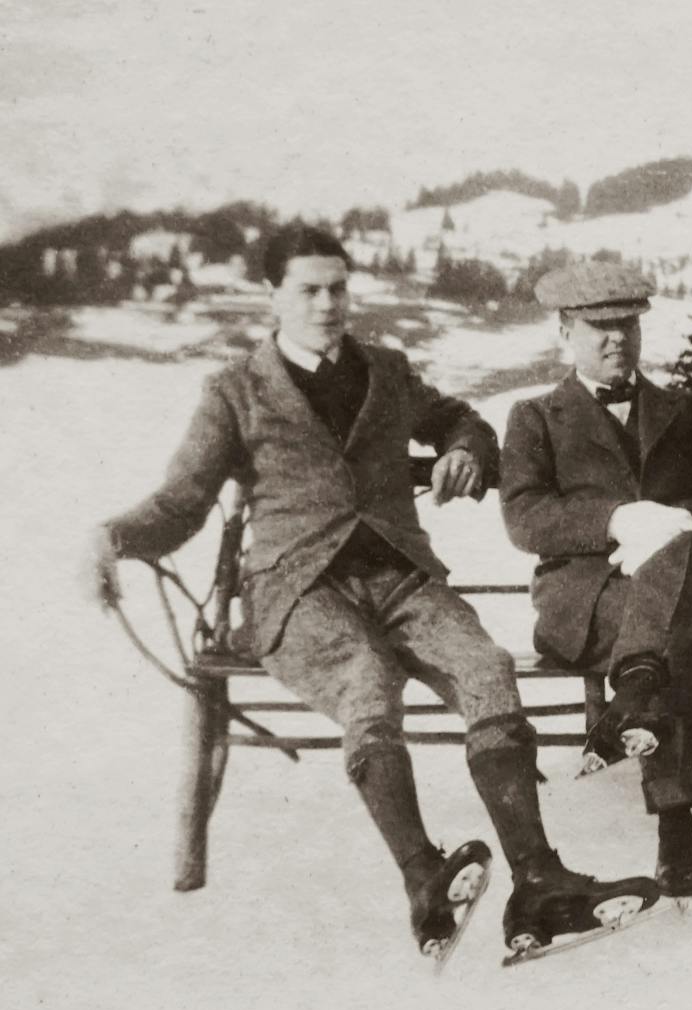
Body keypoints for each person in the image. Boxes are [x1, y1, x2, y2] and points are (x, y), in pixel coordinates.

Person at [84, 225, 657, 962]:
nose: (327, 304)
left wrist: (462, 449)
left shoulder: (384, 371)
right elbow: (183, 499)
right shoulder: (235, 391)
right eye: (308, 290)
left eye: (337, 288)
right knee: (367, 675)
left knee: (485, 666)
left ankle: (540, 881)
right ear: (273, 295)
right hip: (297, 590)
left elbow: (463, 419)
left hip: (401, 575)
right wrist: (112, 537)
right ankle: (424, 875)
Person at [499, 261, 692, 900]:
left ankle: (639, 694)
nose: (616, 338)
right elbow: (525, 517)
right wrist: (620, 518)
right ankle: (675, 825)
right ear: (565, 331)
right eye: (598, 327)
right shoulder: (535, 417)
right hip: (584, 600)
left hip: (669, 593)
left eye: (626, 324)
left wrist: (673, 522)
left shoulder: (684, 411)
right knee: (670, 619)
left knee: (676, 569)